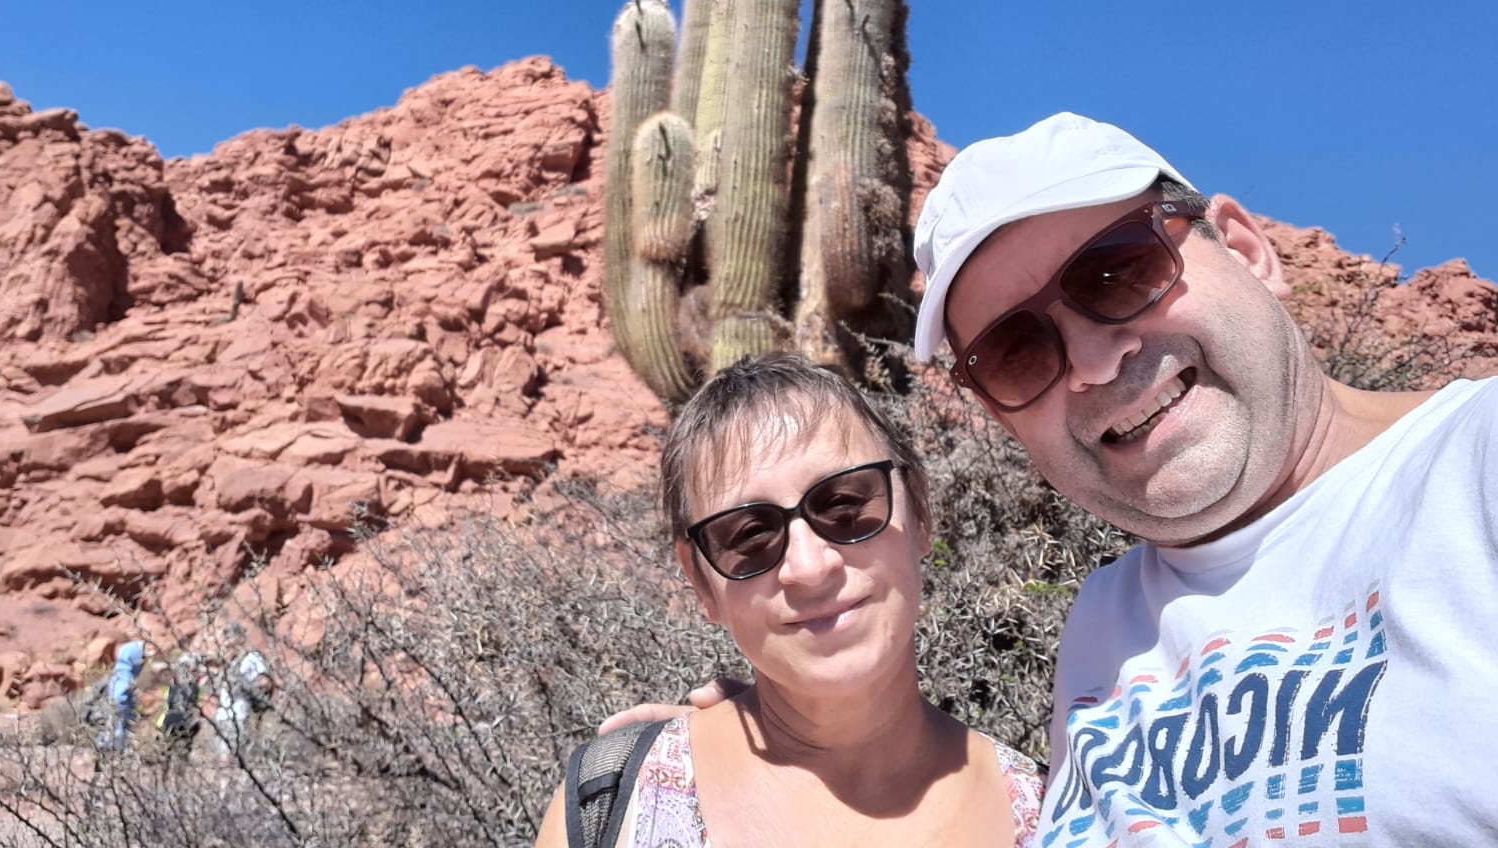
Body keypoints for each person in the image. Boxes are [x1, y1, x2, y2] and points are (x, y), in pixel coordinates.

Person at [614, 113, 1497, 845]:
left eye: (1120, 272)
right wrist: (784, 728)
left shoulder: (1473, 470)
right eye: (1014, 348)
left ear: (1247, 247)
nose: (1089, 360)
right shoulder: (1105, 633)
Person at [538, 353, 1044, 848]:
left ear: (920, 511)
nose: (809, 567)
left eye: (845, 505)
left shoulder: (1060, 818)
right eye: (748, 535)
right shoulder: (609, 805)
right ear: (699, 581)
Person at [212, 646, 274, 758]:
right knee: (222, 755)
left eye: (228, 638)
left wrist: (245, 686)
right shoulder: (234, 661)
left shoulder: (252, 657)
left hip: (237, 714)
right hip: (222, 715)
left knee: (231, 755)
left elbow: (266, 682)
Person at [95, 640, 146, 754]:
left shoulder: (119, 673)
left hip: (116, 719)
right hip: (119, 721)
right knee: (116, 740)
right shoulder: (125, 677)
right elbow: (120, 699)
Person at [154, 653, 203, 769]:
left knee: (169, 755)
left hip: (176, 723)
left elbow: (169, 703)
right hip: (176, 723)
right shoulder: (191, 687)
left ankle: (172, 778)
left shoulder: (177, 686)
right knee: (170, 755)